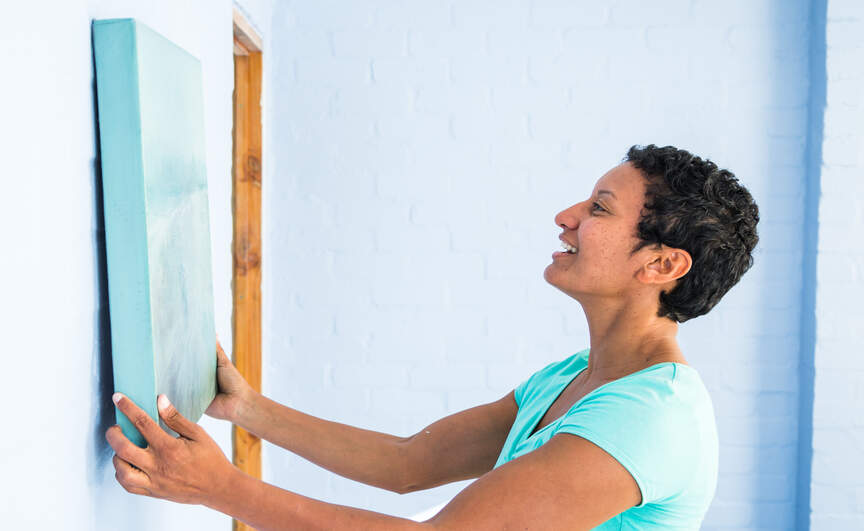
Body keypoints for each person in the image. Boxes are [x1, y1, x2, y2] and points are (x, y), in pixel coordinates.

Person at [105, 144, 760, 530]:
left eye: (599, 209)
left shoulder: (650, 421)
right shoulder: (574, 376)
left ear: (662, 264)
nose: (566, 217)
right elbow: (408, 463)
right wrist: (249, 408)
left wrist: (219, 488)